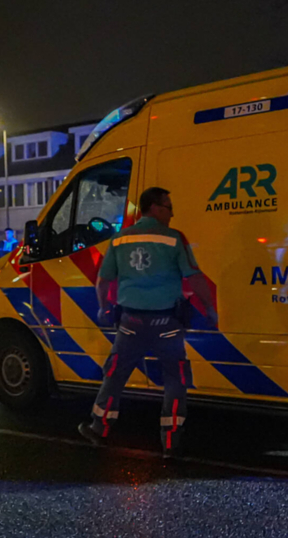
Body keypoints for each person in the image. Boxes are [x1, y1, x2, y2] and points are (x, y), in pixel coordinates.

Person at [76, 187, 218, 458]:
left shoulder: (119, 240)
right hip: (167, 324)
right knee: (175, 378)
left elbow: (103, 280)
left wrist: (104, 308)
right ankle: (171, 441)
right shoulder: (174, 239)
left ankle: (99, 427)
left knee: (115, 375)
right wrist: (210, 308)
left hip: (131, 323)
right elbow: (195, 276)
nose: (172, 213)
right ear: (153, 207)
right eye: (168, 207)